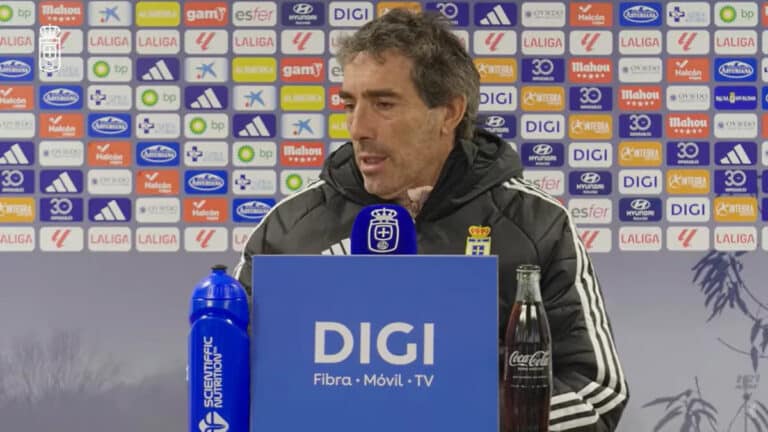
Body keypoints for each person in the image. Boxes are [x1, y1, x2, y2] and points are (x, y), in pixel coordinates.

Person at [234, 9, 628, 431]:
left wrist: (470, 413)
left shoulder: (535, 226)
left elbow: (596, 391)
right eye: (350, 103)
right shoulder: (289, 231)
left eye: (384, 104)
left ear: (449, 113)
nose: (357, 127)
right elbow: (228, 385)